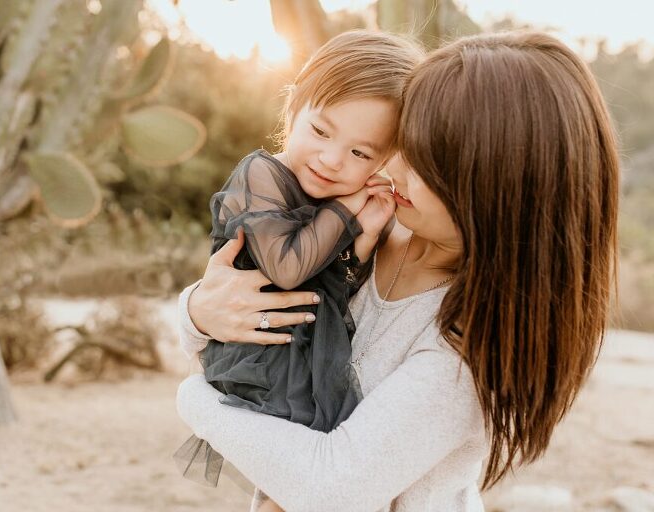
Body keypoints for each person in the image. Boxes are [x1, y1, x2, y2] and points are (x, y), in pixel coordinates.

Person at [176, 31, 619, 512]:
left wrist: (193, 400)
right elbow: (232, 320)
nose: (397, 169)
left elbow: (331, 486)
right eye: (406, 143)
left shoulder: (468, 342)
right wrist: (198, 311)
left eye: (428, 162)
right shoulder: (380, 223)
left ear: (494, 193)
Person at [173, 31, 423, 512]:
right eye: (322, 132)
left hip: (308, 364)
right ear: (293, 108)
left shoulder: (337, 206)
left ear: (387, 159)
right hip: (260, 362)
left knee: (308, 482)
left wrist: (365, 241)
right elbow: (288, 270)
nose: (332, 160)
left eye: (361, 153)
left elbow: (332, 293)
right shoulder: (262, 175)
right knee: (291, 485)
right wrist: (348, 212)